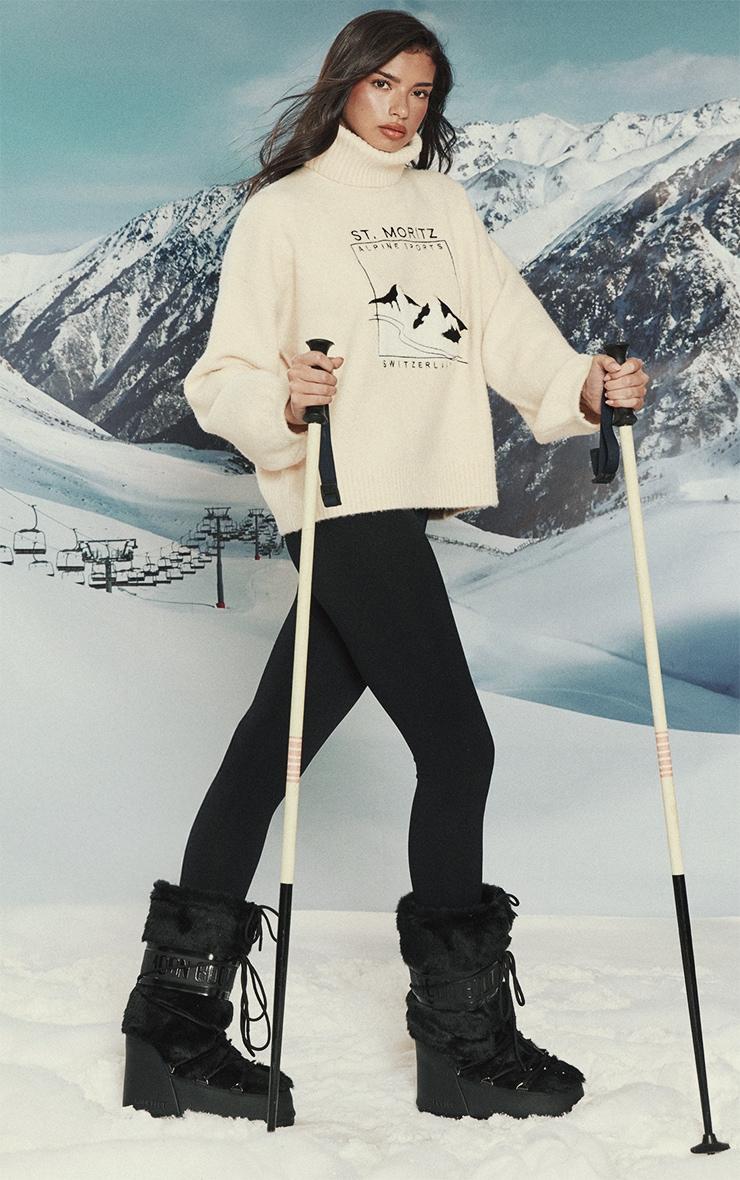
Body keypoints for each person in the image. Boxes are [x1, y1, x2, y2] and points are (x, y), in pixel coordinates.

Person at [121, 9, 649, 1126]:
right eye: (385, 86)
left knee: (268, 751)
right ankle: (461, 1045)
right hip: (337, 498)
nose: (404, 109)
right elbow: (219, 378)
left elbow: (506, 330)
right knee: (458, 746)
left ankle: (168, 1033)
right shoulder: (284, 212)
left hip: (396, 505)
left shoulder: (442, 205)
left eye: (422, 92)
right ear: (344, 84)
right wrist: (284, 399)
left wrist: (584, 386)